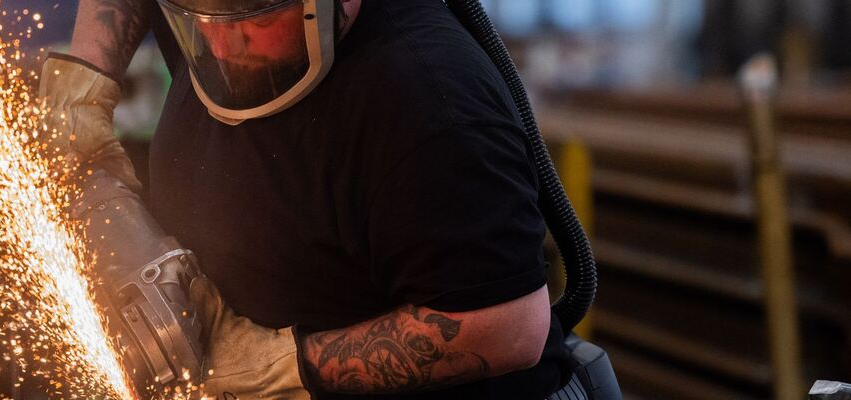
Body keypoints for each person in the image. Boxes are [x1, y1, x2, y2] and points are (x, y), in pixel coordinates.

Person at [40, 0, 574, 398]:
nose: (221, 46)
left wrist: (276, 367)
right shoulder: (222, 17)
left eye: (253, 20)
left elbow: (509, 328)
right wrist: (87, 80)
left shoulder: (427, 101)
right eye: (200, 19)